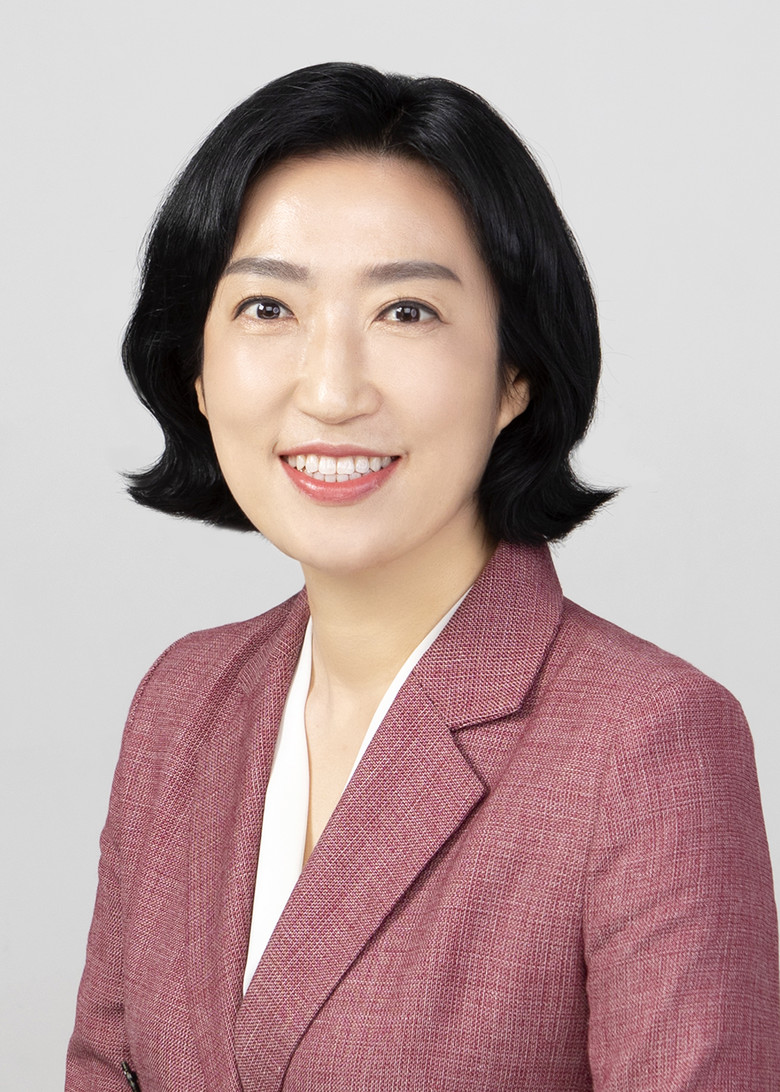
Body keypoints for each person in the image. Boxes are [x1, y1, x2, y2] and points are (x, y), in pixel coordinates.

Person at [66, 62, 779, 1091]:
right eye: (267, 307)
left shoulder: (646, 744)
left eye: (406, 312)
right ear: (197, 370)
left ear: (515, 373)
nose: (331, 390)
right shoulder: (181, 706)